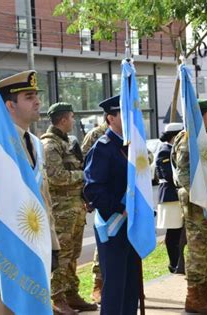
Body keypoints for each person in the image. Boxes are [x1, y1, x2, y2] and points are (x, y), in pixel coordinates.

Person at [0, 70, 60, 314]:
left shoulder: (36, 143)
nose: (37, 101)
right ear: (9, 105)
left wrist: (54, 245)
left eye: (36, 95)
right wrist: (6, 243)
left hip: (36, 252)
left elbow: (43, 201)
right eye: (29, 97)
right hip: (6, 258)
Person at [84, 95, 140, 315]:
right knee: (115, 284)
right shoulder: (102, 148)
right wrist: (119, 208)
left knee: (131, 283)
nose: (129, 118)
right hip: (114, 224)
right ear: (110, 118)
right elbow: (93, 189)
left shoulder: (131, 146)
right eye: (123, 114)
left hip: (132, 224)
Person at [41, 103, 97, 314]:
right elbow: (56, 177)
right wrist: (83, 176)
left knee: (73, 255)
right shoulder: (50, 145)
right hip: (61, 210)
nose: (73, 121)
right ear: (63, 119)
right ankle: (57, 298)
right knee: (62, 256)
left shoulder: (67, 143)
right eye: (72, 117)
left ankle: (71, 294)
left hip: (74, 208)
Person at [172, 99, 207, 314]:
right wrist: (201, 197)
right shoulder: (188, 139)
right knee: (198, 248)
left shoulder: (201, 137)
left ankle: (203, 290)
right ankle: (192, 295)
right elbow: (184, 174)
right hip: (196, 203)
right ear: (203, 115)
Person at [80, 107, 109, 304]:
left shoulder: (130, 132)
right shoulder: (96, 135)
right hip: (103, 197)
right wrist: (87, 198)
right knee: (102, 243)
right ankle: (98, 284)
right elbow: (85, 165)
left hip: (123, 197)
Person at [155, 122, 185, 274]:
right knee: (173, 232)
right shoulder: (165, 151)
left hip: (176, 195)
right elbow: (169, 174)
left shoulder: (173, 150)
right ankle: (174, 263)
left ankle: (179, 262)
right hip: (170, 196)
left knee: (179, 232)